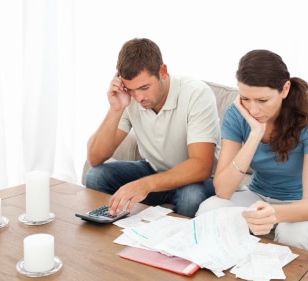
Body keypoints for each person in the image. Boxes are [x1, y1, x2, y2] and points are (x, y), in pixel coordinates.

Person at [196, 49, 308, 251]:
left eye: (262, 101)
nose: (253, 110)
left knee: (292, 236)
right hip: (258, 195)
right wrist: (254, 135)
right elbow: (223, 190)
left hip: (302, 203)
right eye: (245, 98)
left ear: (285, 89)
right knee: (208, 211)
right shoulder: (237, 114)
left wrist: (272, 213)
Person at [84, 38, 220, 218]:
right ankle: (119, 241)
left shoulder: (196, 94)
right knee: (95, 176)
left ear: (163, 71)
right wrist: (115, 108)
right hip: (155, 171)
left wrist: (145, 185)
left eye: (144, 87)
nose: (138, 98)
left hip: (197, 180)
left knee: (190, 197)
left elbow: (201, 166)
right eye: (131, 89)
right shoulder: (129, 98)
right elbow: (95, 158)